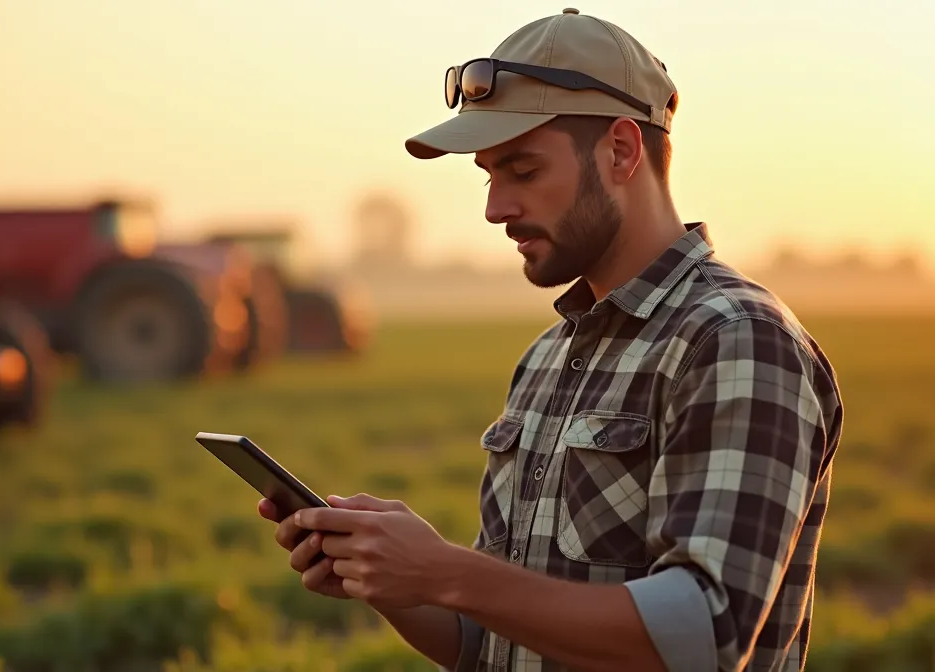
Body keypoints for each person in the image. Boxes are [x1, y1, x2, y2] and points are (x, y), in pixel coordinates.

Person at [258, 8, 844, 672]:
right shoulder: (545, 360)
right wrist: (394, 579)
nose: (494, 207)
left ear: (621, 151)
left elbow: (705, 638)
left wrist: (448, 572)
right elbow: (492, 642)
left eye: (523, 170)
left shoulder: (735, 341)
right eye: (488, 175)